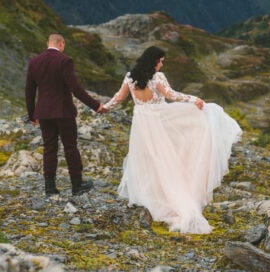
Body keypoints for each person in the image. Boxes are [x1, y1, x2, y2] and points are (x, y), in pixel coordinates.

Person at [103, 45, 242, 234]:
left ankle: (150, 196)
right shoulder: (158, 77)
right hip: (159, 121)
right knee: (167, 158)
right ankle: (172, 198)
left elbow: (118, 98)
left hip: (142, 124)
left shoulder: (130, 77)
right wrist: (194, 99)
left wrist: (103, 108)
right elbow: (170, 95)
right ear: (153, 61)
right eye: (160, 61)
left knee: (147, 160)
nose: (161, 64)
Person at [25, 32, 105, 196]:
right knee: (70, 147)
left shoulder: (34, 62)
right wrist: (96, 106)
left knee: (49, 149)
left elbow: (29, 90)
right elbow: (75, 88)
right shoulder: (64, 60)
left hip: (44, 113)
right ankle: (77, 185)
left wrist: (32, 114)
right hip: (63, 111)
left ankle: (50, 188)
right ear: (61, 44)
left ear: (48, 43)